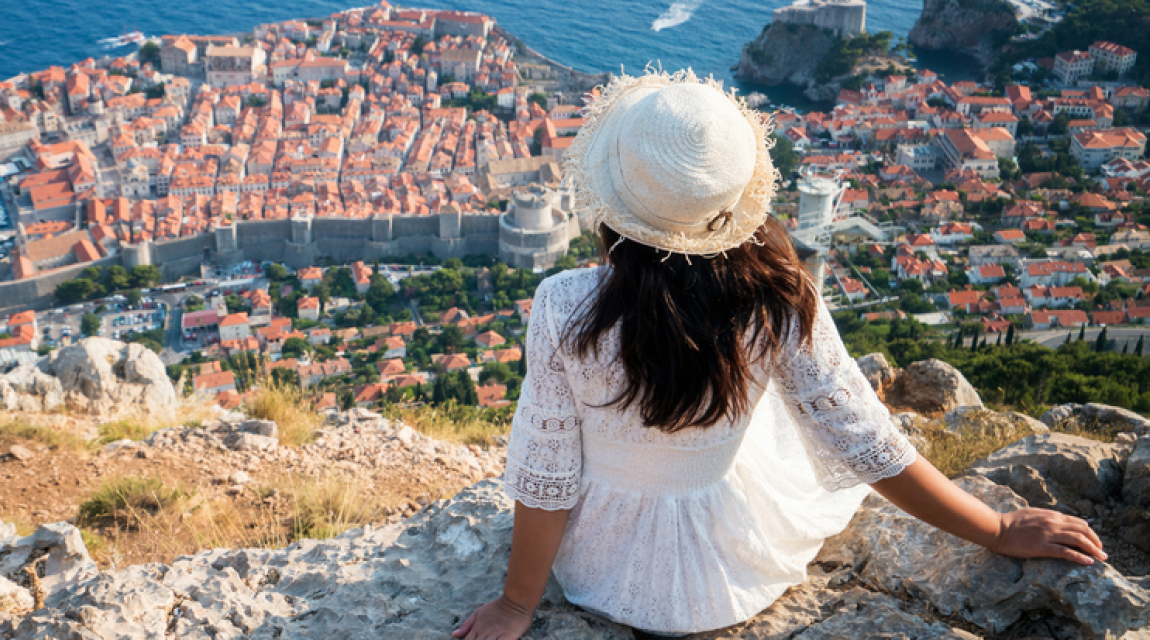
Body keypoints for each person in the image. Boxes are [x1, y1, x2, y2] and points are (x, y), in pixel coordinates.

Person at [453, 70, 1106, 640]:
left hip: (601, 568)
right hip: (732, 568)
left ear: (613, 200)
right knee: (778, 407)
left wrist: (517, 604)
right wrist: (996, 529)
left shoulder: (564, 304)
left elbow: (548, 474)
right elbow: (869, 446)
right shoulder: (779, 299)